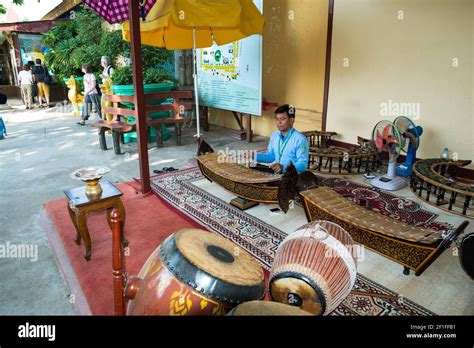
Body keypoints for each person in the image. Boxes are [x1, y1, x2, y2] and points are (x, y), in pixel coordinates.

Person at [256, 104, 309, 173]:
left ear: (291, 120)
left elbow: (303, 165)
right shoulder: (274, 136)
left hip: (291, 178)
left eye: (282, 119)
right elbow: (271, 157)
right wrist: (254, 156)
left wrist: (284, 167)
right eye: (277, 119)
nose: (279, 122)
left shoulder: (300, 139)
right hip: (276, 175)